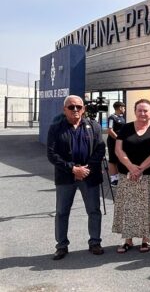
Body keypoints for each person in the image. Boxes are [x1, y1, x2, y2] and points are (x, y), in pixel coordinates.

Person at [46, 95, 106, 260]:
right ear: (64, 109)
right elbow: (52, 154)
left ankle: (95, 242)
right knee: (62, 212)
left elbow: (100, 149)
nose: (75, 110)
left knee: (94, 211)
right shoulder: (56, 128)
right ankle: (61, 246)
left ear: (84, 109)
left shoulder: (93, 126)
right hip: (66, 177)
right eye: (71, 107)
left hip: (89, 176)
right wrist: (72, 169)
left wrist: (87, 169)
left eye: (78, 107)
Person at [112, 99, 150, 254]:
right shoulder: (126, 128)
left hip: (148, 175)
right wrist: (131, 167)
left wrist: (140, 169)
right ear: (134, 111)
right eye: (140, 110)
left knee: (146, 206)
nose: (143, 113)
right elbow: (118, 150)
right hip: (127, 174)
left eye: (146, 110)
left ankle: (146, 240)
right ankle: (128, 240)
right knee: (128, 206)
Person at [106, 101, 127, 187]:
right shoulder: (112, 117)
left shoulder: (122, 118)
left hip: (120, 141)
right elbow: (110, 130)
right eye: (124, 107)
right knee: (112, 160)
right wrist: (118, 139)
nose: (124, 109)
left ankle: (118, 177)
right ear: (119, 108)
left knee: (119, 158)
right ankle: (113, 179)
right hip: (113, 141)